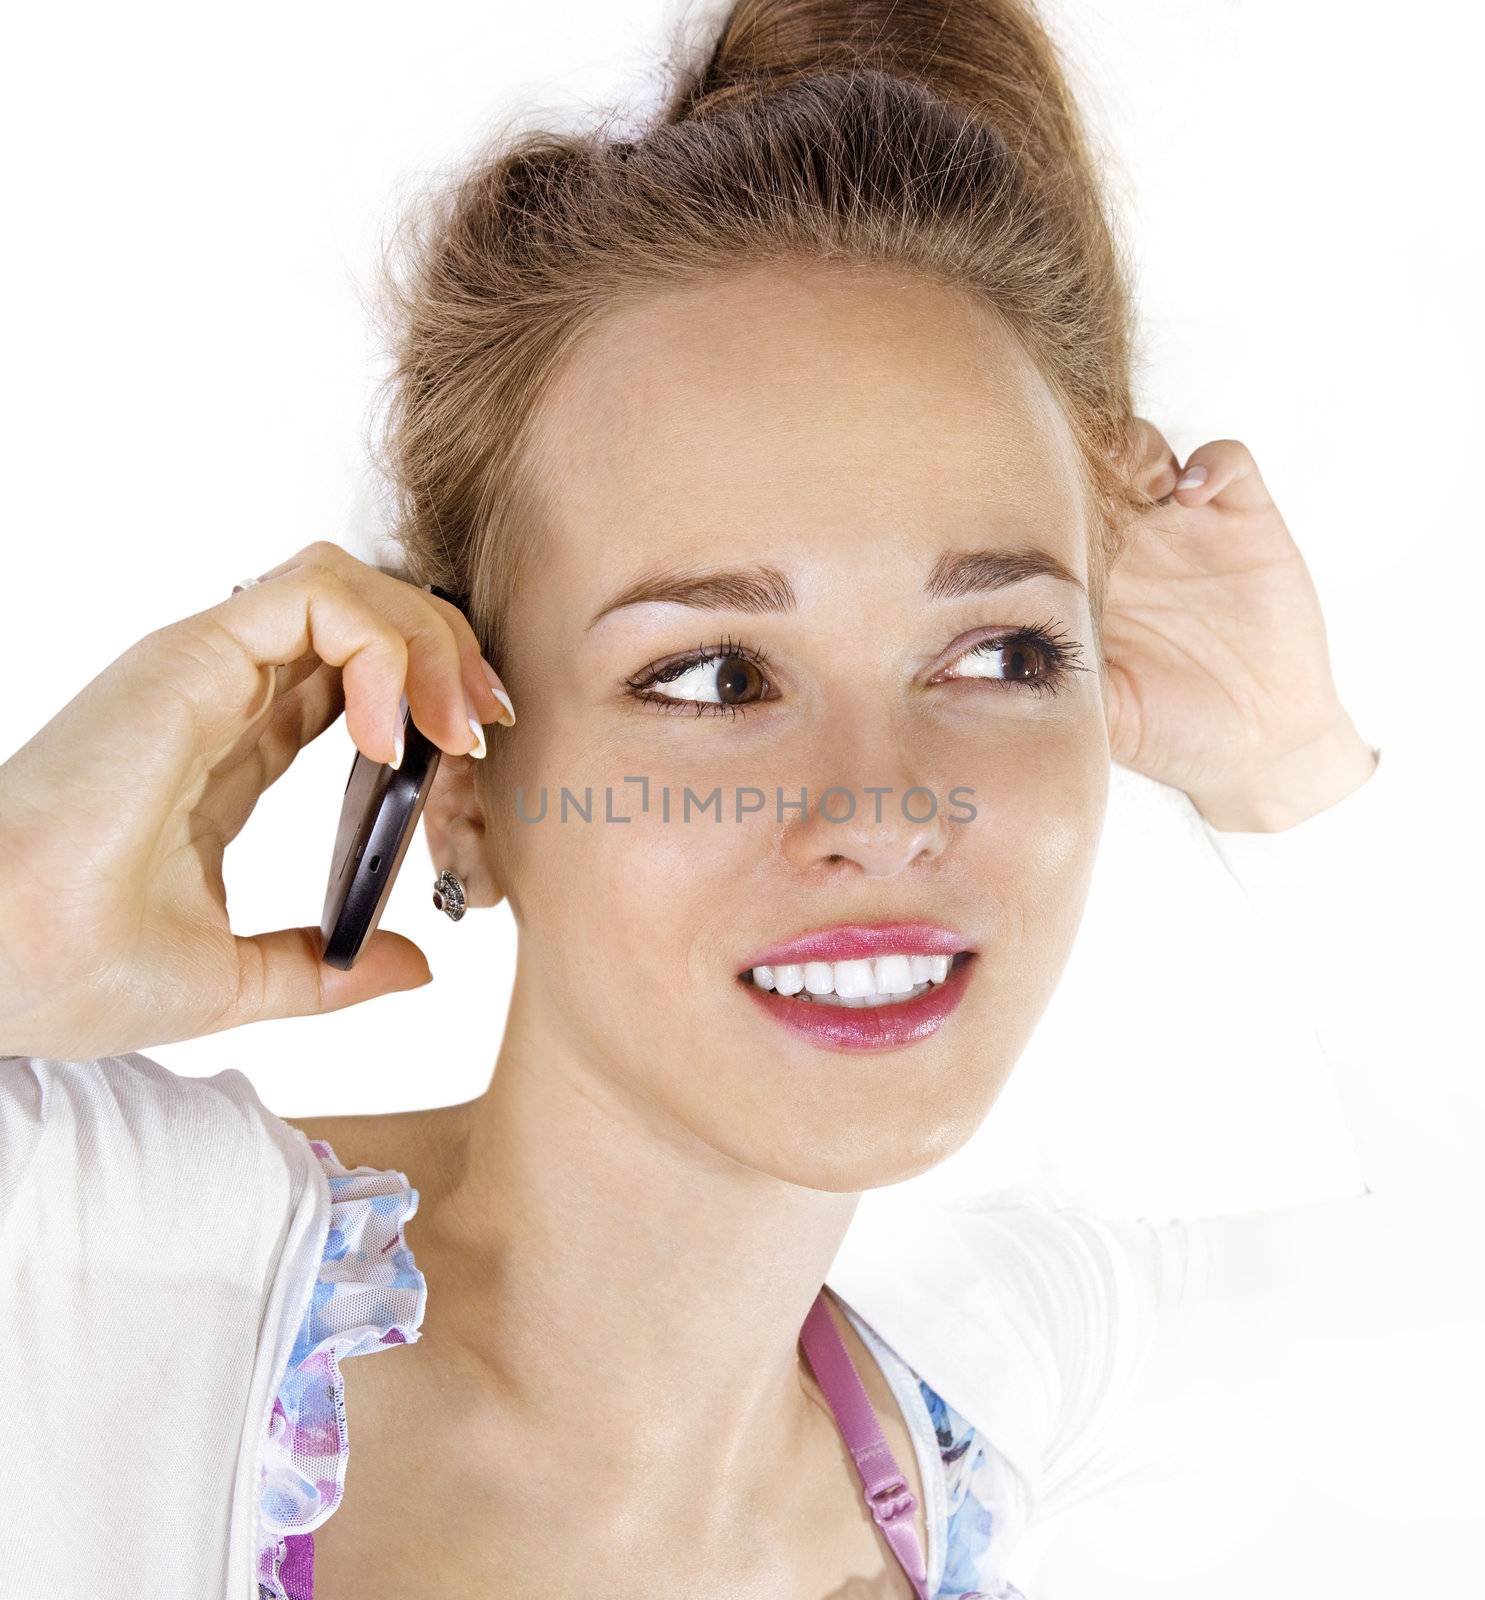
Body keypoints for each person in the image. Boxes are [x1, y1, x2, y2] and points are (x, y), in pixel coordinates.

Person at [0, 1, 1442, 1597]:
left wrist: (1290, 770)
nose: (883, 808)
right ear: (458, 773)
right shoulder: (97, 1277)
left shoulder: (1005, 1400)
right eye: (711, 677)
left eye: (999, 650)